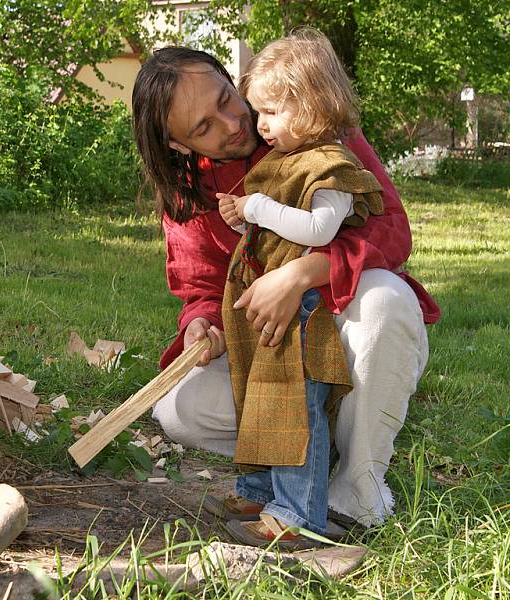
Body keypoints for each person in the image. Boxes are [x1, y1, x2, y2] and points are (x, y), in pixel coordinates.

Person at [131, 45, 439, 531]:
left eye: (226, 99)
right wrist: (201, 326)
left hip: (345, 327)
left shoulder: (313, 122)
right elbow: (204, 288)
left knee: (385, 299)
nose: (233, 123)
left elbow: (393, 230)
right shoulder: (188, 194)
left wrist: (300, 275)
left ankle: (358, 486)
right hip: (275, 348)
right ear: (179, 146)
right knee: (177, 411)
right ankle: (316, 447)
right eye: (204, 128)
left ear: (232, 80)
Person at [211, 29, 387, 547]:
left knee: (294, 405)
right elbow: (280, 227)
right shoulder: (285, 160)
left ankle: (297, 514)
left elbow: (319, 231)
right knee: (258, 394)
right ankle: (261, 488)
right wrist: (245, 223)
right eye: (257, 111)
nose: (259, 124)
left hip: (305, 308)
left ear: (312, 105)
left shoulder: (330, 165)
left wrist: (257, 209)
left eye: (272, 111)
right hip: (271, 302)